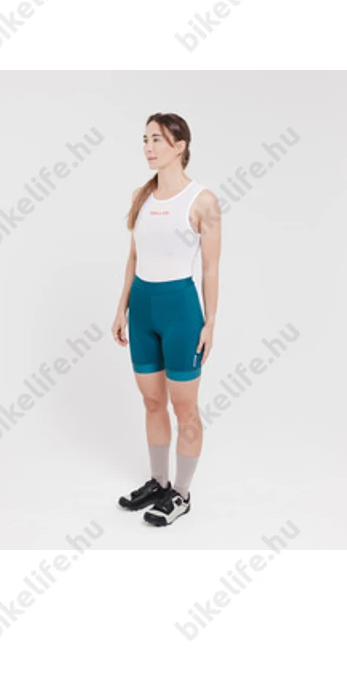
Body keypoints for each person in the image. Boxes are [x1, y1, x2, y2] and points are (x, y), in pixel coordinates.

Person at [112, 112, 222, 526]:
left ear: (180, 146)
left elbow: (210, 267)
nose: (148, 147)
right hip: (142, 309)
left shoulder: (202, 201)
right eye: (145, 139)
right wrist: (121, 308)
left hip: (180, 312)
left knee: (184, 408)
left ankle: (181, 493)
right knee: (152, 402)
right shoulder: (142, 197)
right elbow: (134, 257)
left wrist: (210, 323)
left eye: (157, 139)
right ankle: (159, 483)